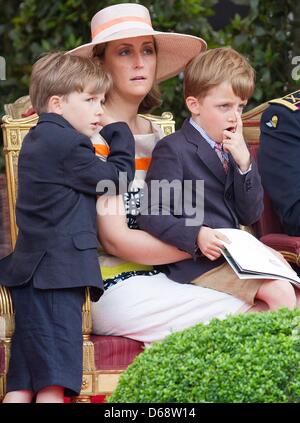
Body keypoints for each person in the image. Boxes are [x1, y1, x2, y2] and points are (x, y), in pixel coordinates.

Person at [71, 3, 262, 345]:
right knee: (259, 314)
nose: (139, 62)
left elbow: (189, 216)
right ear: (100, 63)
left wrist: (215, 243)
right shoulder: (93, 139)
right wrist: (206, 243)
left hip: (178, 273)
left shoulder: (163, 139)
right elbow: (116, 240)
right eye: (124, 52)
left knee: (272, 296)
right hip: (116, 283)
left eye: (147, 50)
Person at [0, 52, 135, 403]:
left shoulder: (39, 138)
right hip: (59, 276)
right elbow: (114, 179)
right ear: (57, 103)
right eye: (91, 100)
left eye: (102, 101)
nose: (98, 110)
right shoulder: (69, 143)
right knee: (54, 383)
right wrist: (118, 130)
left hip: (32, 273)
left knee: (24, 381)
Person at [138, 47, 299, 313]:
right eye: (224, 106)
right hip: (198, 261)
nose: (234, 117)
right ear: (194, 105)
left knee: (294, 291)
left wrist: (244, 164)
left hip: (238, 256)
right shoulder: (174, 149)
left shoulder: (234, 148)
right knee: (281, 294)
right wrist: (196, 234)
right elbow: (153, 213)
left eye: (240, 107)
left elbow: (251, 213)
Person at [259, 90, 300, 236]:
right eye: (224, 106)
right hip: (205, 248)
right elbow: (295, 215)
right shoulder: (288, 116)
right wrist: (195, 234)